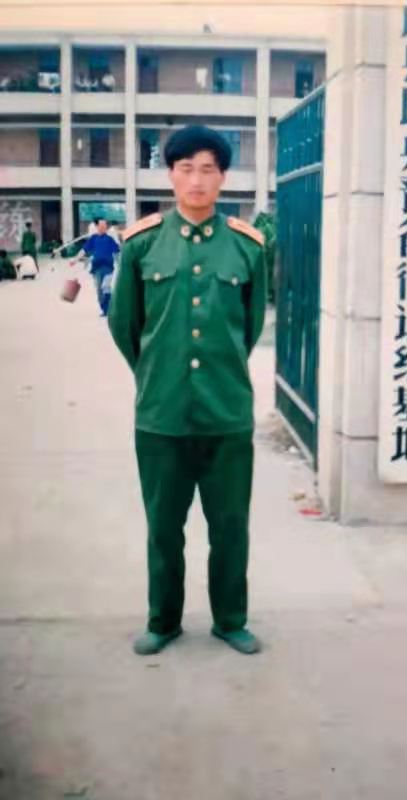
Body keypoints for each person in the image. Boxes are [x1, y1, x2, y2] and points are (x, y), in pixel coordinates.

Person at [108, 125, 267, 657]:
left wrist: (220, 371)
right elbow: (125, 326)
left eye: (207, 169)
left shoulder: (246, 246)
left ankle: (231, 620)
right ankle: (163, 621)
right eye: (186, 168)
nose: (197, 179)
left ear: (223, 177)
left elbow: (249, 327)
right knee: (163, 528)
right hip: (162, 415)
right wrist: (158, 373)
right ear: (170, 175)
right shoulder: (142, 243)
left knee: (231, 527)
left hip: (227, 414)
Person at [72, 218, 120, 316]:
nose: (103, 228)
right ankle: (104, 309)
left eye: (105, 226)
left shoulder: (110, 239)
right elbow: (84, 250)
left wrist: (120, 265)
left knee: (106, 287)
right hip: (96, 268)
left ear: (106, 228)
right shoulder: (93, 239)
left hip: (108, 268)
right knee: (99, 291)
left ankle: (109, 309)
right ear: (97, 227)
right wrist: (75, 259)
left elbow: (117, 253)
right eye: (101, 226)